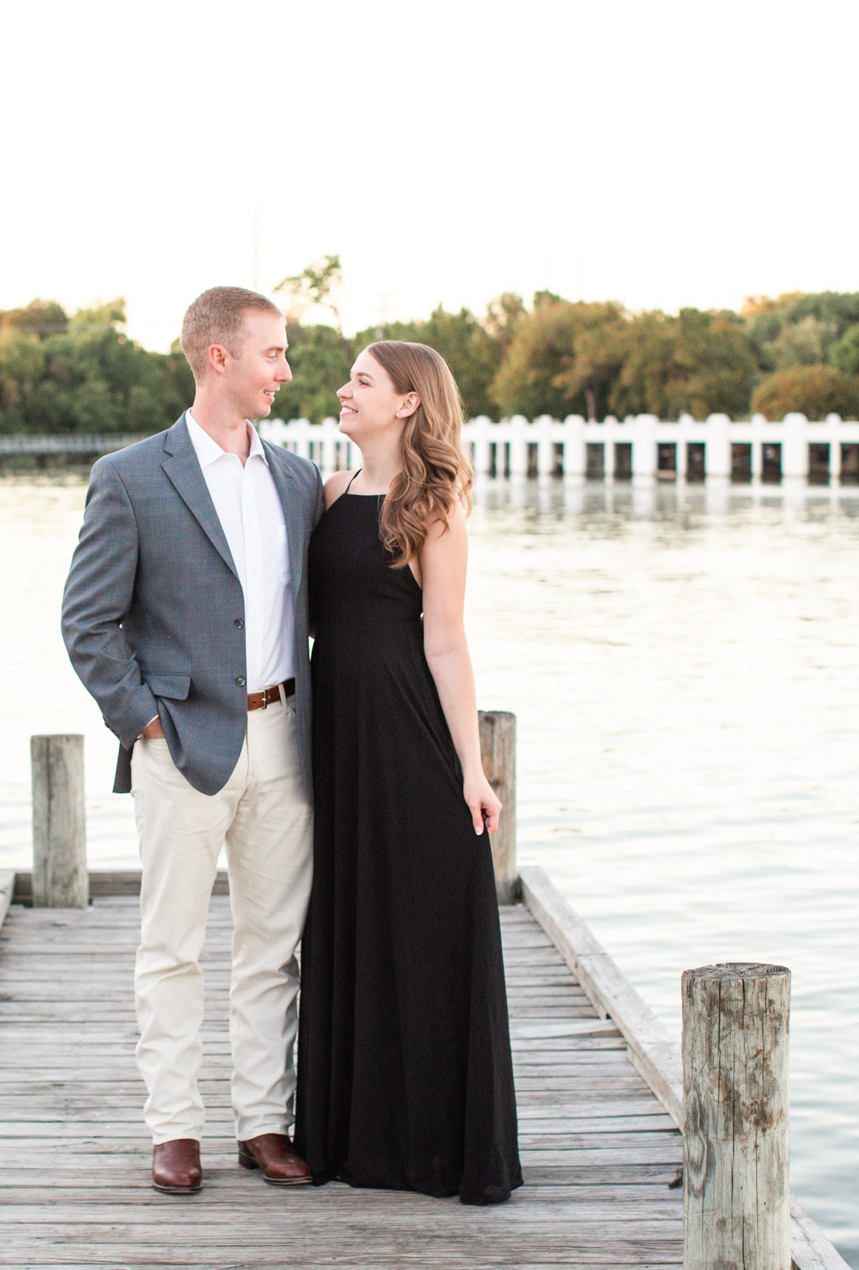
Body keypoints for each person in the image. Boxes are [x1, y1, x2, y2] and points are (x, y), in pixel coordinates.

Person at [60, 287, 325, 1195]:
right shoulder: (131, 477)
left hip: (285, 737)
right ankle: (175, 1126)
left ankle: (263, 1120)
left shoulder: (296, 480)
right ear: (220, 357)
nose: (286, 372)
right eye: (273, 355)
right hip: (181, 742)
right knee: (171, 944)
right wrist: (144, 723)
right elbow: (87, 623)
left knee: (272, 942)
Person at [292, 340, 523, 1205]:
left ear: (407, 404)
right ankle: (354, 1137)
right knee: (348, 917)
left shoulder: (433, 505)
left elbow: (446, 640)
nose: (343, 390)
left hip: (405, 728)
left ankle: (434, 1145)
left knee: (424, 917)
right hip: (334, 729)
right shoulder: (324, 492)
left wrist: (473, 768)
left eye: (362, 380)